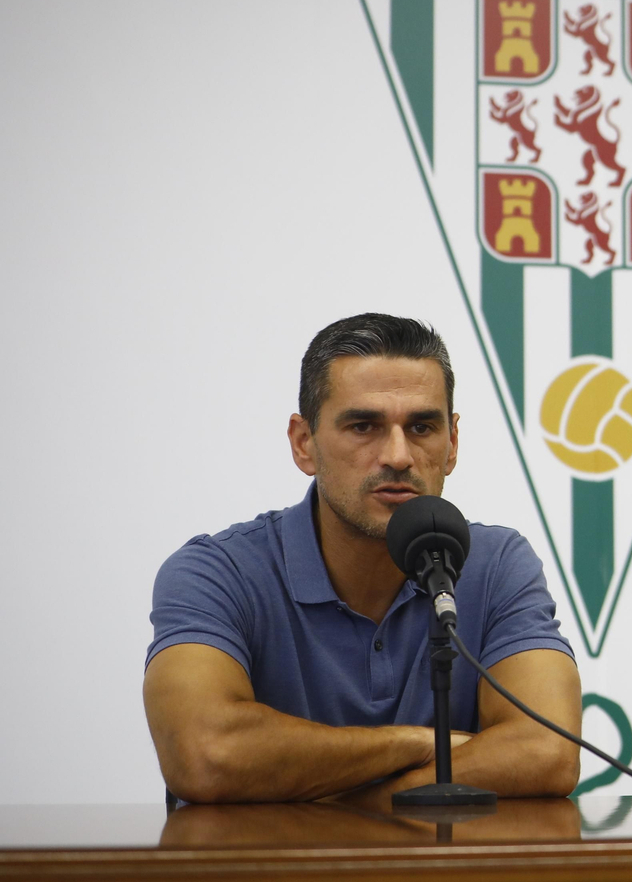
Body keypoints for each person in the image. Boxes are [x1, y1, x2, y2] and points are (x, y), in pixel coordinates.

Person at [144, 314, 582, 803]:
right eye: (363, 426)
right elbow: (205, 754)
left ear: (452, 444)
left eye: (421, 426)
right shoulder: (215, 572)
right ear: (303, 442)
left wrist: (352, 806)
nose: (398, 455)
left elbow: (548, 751)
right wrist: (416, 745)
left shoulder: (496, 564)